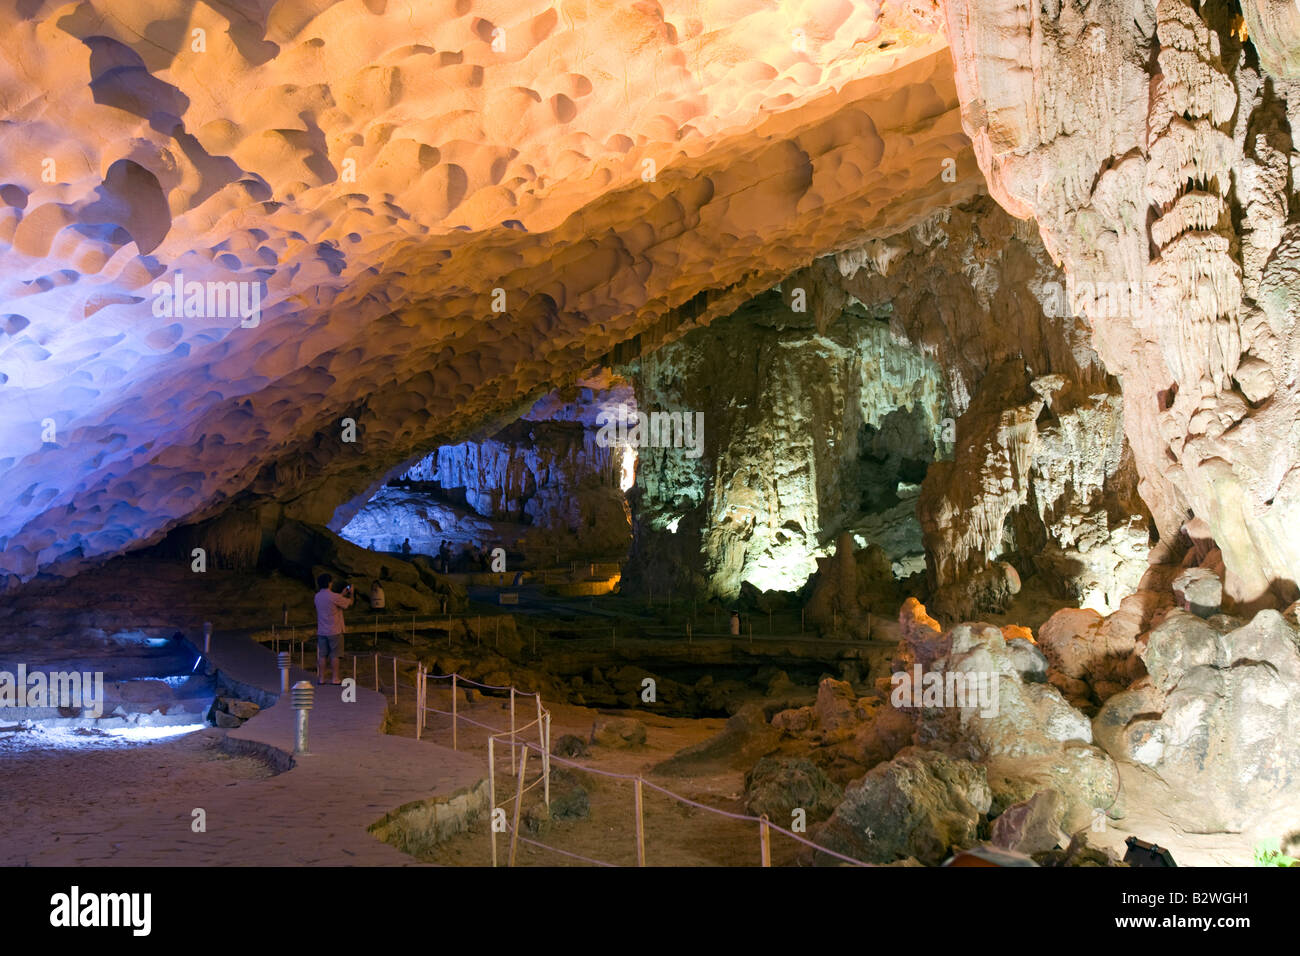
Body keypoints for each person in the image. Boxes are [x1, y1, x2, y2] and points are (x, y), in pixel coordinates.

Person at [314, 573, 353, 685]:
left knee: (322, 655)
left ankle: (321, 678)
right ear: (329, 583)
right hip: (334, 630)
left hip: (322, 630)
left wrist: (341, 595)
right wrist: (351, 594)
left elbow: (331, 603)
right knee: (335, 655)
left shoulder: (317, 596)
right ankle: (335, 678)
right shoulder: (334, 596)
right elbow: (348, 603)